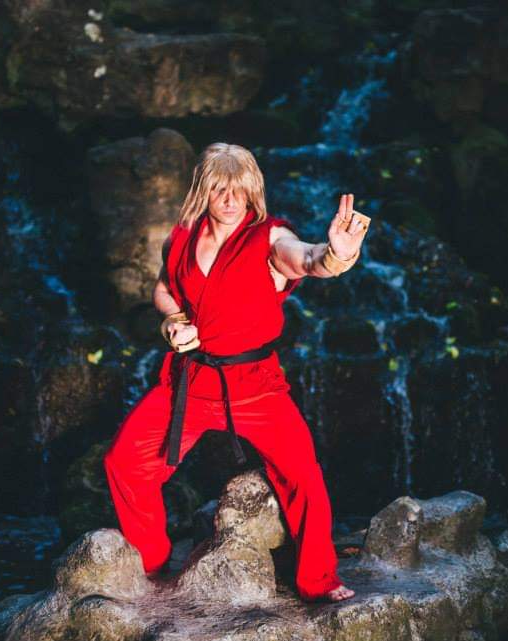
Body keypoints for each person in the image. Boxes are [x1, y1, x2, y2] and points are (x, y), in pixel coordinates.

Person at [103, 142, 370, 603]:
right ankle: (150, 562)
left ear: (253, 192)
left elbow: (306, 259)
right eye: (220, 190)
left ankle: (318, 578)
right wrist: (172, 320)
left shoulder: (270, 238)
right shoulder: (182, 237)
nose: (230, 201)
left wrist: (336, 255)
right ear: (202, 191)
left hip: (255, 387)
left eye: (240, 191)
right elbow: (165, 288)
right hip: (190, 382)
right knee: (124, 463)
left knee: (303, 477)